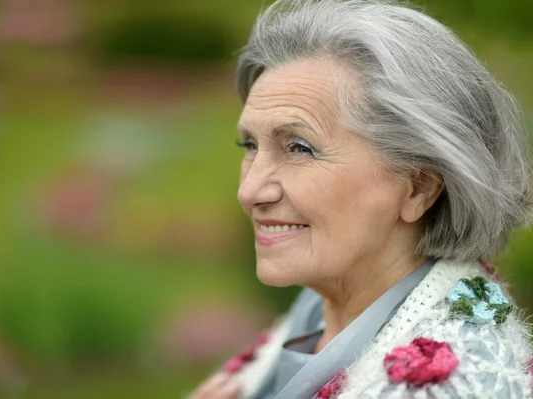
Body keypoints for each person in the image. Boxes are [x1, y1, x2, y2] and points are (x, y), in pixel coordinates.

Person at [189, 0, 533, 398]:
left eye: (298, 148)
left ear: (418, 186)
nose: (248, 191)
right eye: (250, 144)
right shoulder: (318, 313)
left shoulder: (456, 384)